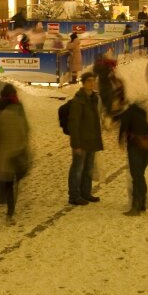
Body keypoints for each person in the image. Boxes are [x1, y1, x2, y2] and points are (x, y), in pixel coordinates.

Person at [0, 83, 31, 221]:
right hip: (16, 152)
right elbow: (25, 130)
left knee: (4, 179)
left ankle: (2, 198)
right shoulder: (18, 111)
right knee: (12, 182)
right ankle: (10, 210)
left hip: (3, 152)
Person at [63, 70, 103, 205]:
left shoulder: (94, 99)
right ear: (83, 83)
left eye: (93, 81)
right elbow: (74, 124)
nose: (92, 84)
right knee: (77, 169)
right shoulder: (78, 102)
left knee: (88, 168)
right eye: (89, 81)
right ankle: (74, 195)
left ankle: (86, 192)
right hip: (81, 141)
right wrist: (76, 144)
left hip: (91, 139)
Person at [115, 97, 148, 215]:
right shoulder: (140, 112)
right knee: (140, 175)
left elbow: (122, 130)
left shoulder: (127, 113)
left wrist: (121, 142)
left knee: (137, 176)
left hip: (136, 146)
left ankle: (136, 206)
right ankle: (142, 204)